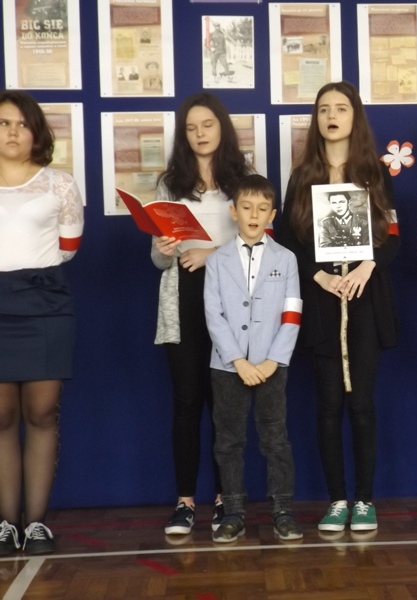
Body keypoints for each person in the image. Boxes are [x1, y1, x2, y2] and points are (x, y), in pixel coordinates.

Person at [277, 81, 399, 533]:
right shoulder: (302, 175)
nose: (332, 116)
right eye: (324, 109)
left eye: (341, 108)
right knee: (328, 404)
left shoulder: (374, 172)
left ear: (355, 116)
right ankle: (336, 500)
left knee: (362, 403)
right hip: (322, 299)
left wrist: (368, 265)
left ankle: (364, 500)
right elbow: (288, 240)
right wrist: (319, 276)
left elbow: (394, 234)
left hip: (365, 297)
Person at [151, 93, 250, 536]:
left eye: (207, 125)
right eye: (191, 128)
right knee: (187, 403)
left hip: (230, 305)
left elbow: (261, 243)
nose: (200, 134)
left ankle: (227, 500)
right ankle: (185, 502)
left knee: (225, 408)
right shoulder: (170, 184)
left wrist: (212, 252)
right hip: (183, 302)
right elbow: (158, 261)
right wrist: (163, 248)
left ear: (222, 127)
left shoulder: (243, 179)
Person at [0, 91, 84, 555]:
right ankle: (5, 523)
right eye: (3, 123)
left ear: (36, 132)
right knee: (1, 415)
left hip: (45, 302)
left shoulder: (59, 184)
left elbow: (68, 248)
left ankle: (35, 523)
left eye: (22, 124)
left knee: (41, 413)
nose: (12, 132)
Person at [204, 174, 303, 543]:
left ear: (272, 215)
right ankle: (233, 512)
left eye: (263, 209)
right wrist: (237, 360)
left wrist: (274, 359)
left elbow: (292, 313)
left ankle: (283, 511)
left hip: (271, 365)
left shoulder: (286, 259)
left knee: (275, 439)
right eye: (247, 207)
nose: (254, 214)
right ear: (234, 212)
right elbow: (213, 315)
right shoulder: (217, 260)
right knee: (229, 440)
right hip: (228, 366)